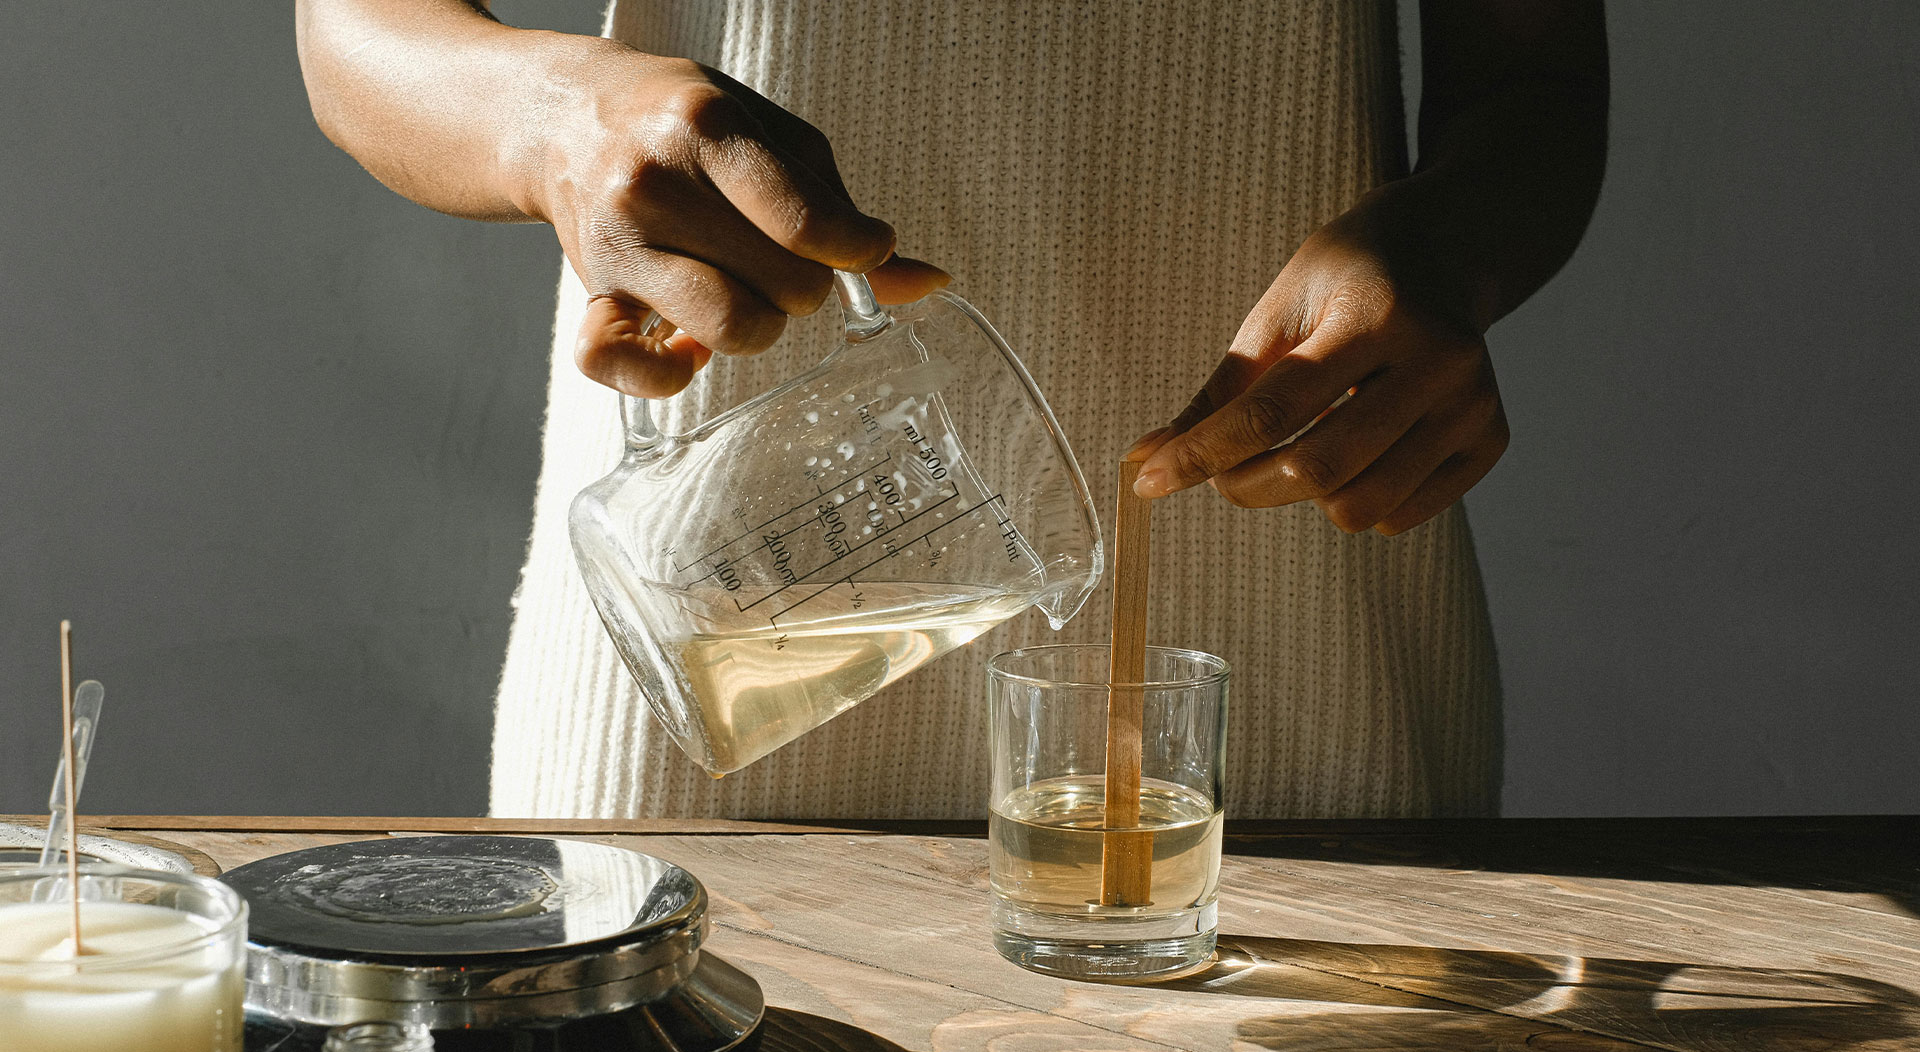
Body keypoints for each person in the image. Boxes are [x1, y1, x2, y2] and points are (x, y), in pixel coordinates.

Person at [295, 1, 1607, 819]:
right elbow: (351, 27)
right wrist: (558, 119)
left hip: (1305, 705)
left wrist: (1446, 255)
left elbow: (1531, 76)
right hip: (696, 678)